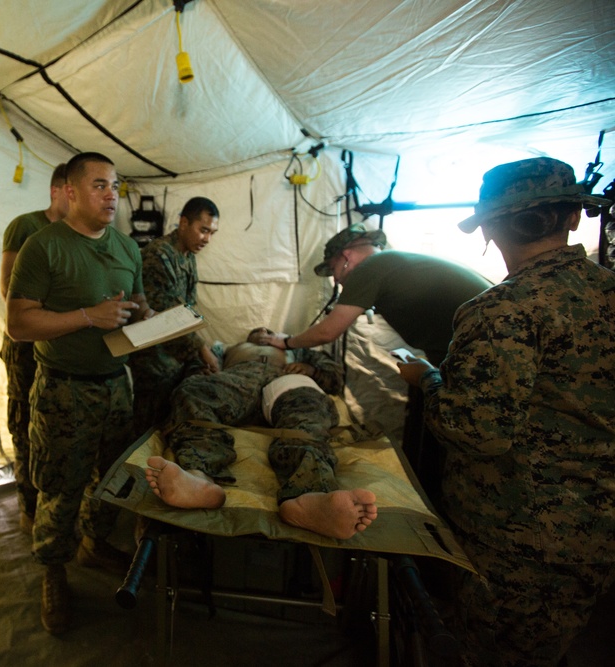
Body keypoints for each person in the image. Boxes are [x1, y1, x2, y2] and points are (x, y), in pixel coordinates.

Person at [398, 157, 615, 667]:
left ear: (491, 227)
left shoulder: (503, 310)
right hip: (597, 529)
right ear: (574, 217)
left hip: (518, 539)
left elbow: (476, 431)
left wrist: (427, 378)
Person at [6, 151, 154, 635]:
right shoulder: (43, 247)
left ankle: (94, 542)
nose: (112, 194)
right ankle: (54, 569)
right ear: (69, 191)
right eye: (99, 185)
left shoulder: (129, 249)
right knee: (60, 488)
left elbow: (137, 303)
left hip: (116, 387)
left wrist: (148, 318)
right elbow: (19, 323)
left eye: (115, 186)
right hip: (63, 392)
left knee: (110, 480)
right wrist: (89, 316)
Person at [252, 224, 492, 506]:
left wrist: (287, 342)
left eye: (335, 272)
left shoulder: (372, 266)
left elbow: (328, 331)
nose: (339, 284)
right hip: (472, 353)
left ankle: (440, 503)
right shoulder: (394, 264)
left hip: (481, 355)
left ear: (346, 257)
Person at [146, 328, 378, 540]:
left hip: (287, 379)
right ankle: (199, 477)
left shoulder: (297, 347)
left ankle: (311, 496)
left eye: (269, 331)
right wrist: (203, 370)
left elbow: (335, 376)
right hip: (239, 379)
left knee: (308, 413)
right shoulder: (224, 347)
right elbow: (196, 365)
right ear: (248, 337)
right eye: (258, 332)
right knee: (193, 392)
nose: (264, 333)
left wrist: (312, 370)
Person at [0, 163, 69, 534]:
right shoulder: (26, 226)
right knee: (25, 428)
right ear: (57, 190)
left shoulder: (80, 235)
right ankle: (29, 509)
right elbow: (8, 288)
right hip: (25, 349)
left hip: (58, 351)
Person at [129, 196, 221, 438]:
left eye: (212, 233)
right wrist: (201, 350)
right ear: (183, 223)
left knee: (167, 428)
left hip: (174, 357)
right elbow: (166, 318)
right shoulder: (159, 255)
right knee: (146, 431)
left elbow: (188, 310)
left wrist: (199, 351)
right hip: (153, 361)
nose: (207, 239)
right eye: (203, 230)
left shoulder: (188, 257)